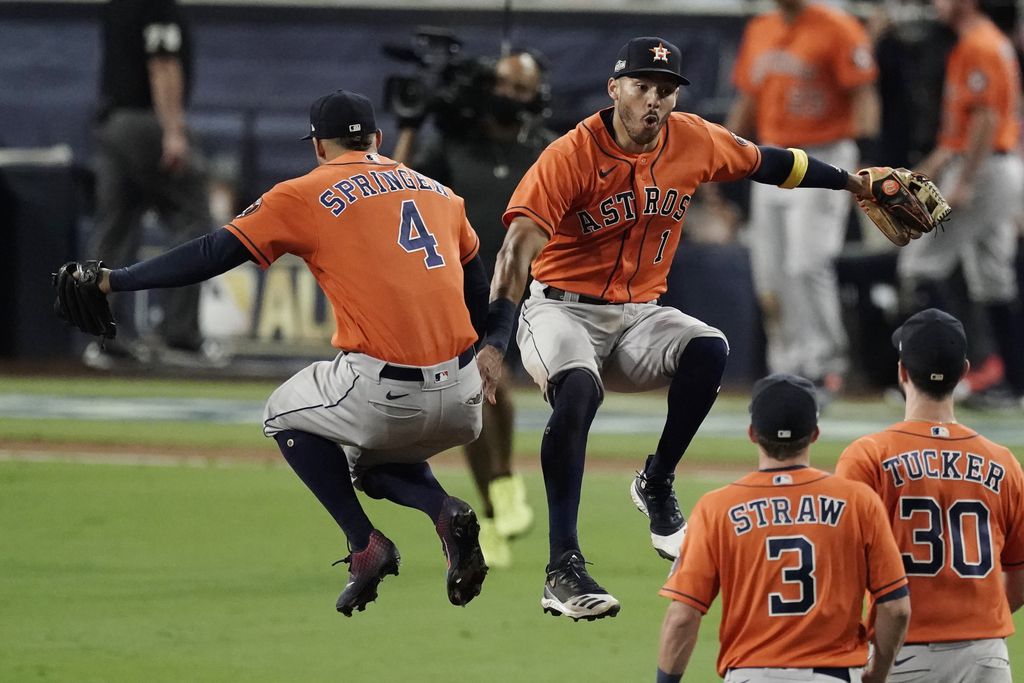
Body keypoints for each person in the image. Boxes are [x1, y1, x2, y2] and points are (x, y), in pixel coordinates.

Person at [476, 35, 886, 621]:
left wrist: (851, 182)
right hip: (559, 309)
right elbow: (517, 248)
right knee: (578, 387)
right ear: (614, 87)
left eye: (665, 89)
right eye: (641, 85)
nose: (653, 99)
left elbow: (771, 162)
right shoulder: (570, 155)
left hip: (638, 313)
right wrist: (495, 340)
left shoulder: (692, 137)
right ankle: (562, 566)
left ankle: (657, 481)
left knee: (708, 348)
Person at [68, 90, 491, 616]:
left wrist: (116, 280)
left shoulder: (306, 191)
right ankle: (442, 508)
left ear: (319, 146)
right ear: (378, 139)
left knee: (283, 413)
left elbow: (212, 252)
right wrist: (489, 350)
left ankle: (364, 544)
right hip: (467, 396)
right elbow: (481, 291)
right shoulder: (440, 193)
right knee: (371, 456)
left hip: (387, 390)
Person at [392, 50, 554, 567]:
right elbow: (397, 189)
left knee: (488, 396)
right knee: (480, 394)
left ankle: (496, 498)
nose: (509, 96)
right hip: (460, 286)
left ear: (538, 95)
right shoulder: (455, 146)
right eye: (502, 84)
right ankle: (496, 501)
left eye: (521, 88)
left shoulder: (548, 151)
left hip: (532, 291)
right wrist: (412, 125)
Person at [655, 374, 910, 683]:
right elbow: (895, 607)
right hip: (834, 674)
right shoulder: (859, 502)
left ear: (752, 433)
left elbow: (683, 616)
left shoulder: (717, 507)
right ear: (814, 433)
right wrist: (878, 674)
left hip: (750, 674)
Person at [836, 308, 1024, 681]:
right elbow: (1019, 571)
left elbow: (841, 566)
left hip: (904, 654)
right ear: (965, 372)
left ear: (903, 371)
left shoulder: (870, 455)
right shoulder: (1002, 462)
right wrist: (976, 617)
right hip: (987, 656)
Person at [727, 0, 880, 394]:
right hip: (773, 157)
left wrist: (868, 162)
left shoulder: (839, 26)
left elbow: (864, 96)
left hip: (825, 153)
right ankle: (788, 365)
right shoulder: (761, 27)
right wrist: (721, 152)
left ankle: (824, 365)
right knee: (771, 270)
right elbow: (748, 100)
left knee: (807, 262)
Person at [897, 0, 1024, 407]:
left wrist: (964, 181)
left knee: (919, 266)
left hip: (983, 169)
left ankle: (935, 372)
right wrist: (924, 172)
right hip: (994, 165)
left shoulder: (980, 44)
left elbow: (986, 119)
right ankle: (1012, 381)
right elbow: (961, 130)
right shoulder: (985, 41)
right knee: (993, 279)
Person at [90, 0, 213, 366]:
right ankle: (180, 337)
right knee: (194, 220)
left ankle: (102, 337)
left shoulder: (116, 6)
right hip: (147, 122)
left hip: (112, 122)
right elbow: (162, 63)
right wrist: (173, 130)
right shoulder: (158, 6)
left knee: (114, 228)